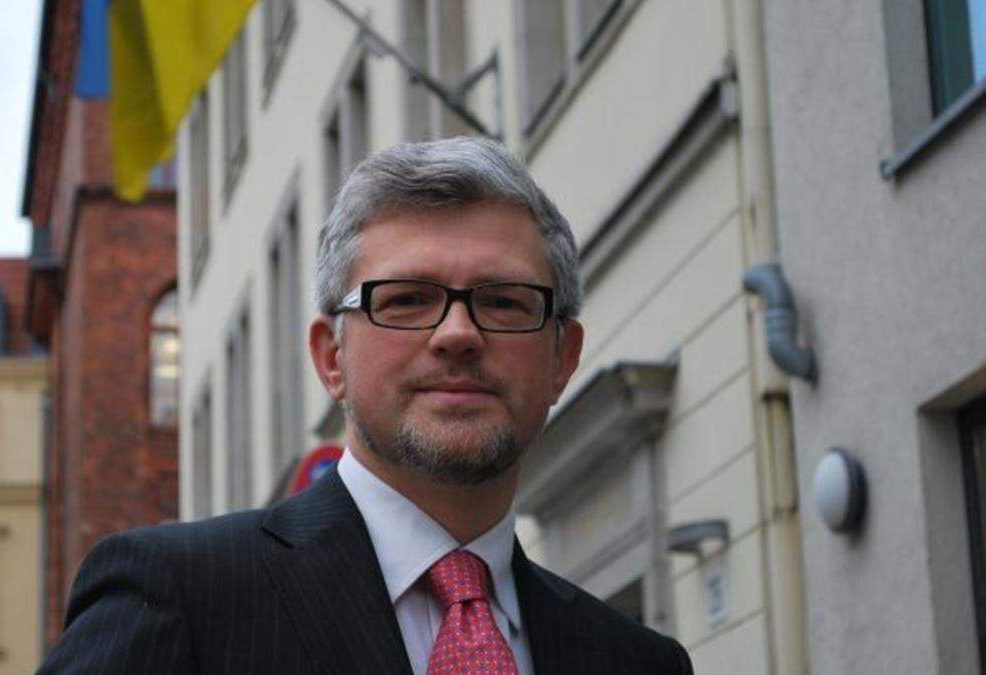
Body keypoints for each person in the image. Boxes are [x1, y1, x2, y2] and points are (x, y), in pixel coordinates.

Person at [37, 137, 693, 674]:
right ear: (332, 357)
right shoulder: (180, 596)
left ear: (562, 358)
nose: (458, 333)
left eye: (503, 302)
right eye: (405, 299)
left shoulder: (638, 662)